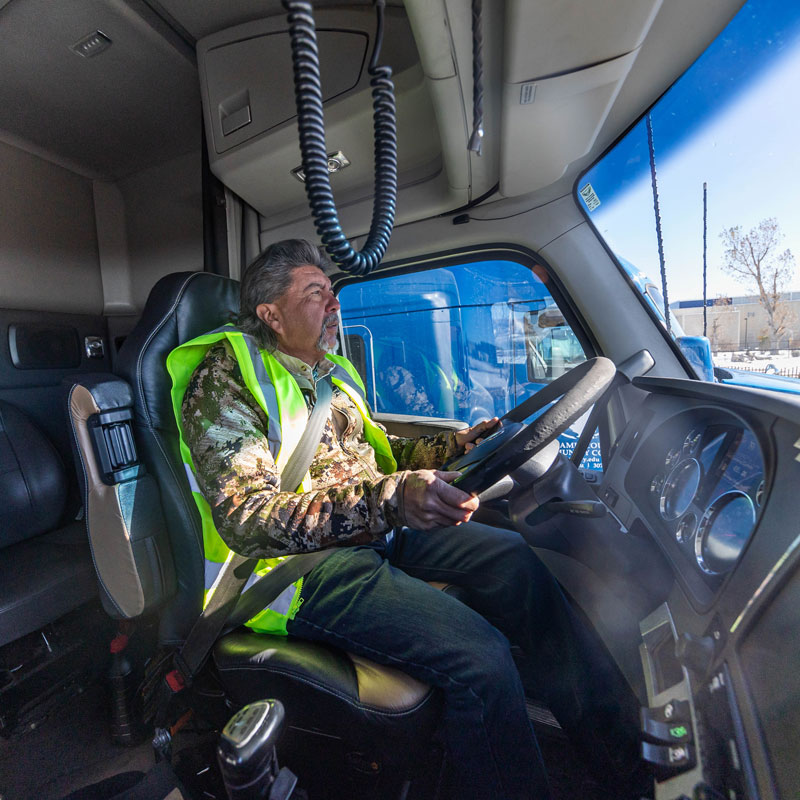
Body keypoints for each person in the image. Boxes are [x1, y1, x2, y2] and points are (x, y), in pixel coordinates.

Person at [168, 239, 645, 800]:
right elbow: (248, 516)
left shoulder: (333, 371)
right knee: (482, 658)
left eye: (333, 293)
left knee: (516, 561)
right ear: (270, 314)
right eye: (315, 294)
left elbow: (377, 456)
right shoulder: (224, 375)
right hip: (297, 575)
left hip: (377, 534)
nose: (334, 306)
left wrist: (450, 448)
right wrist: (391, 502)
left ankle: (625, 760)